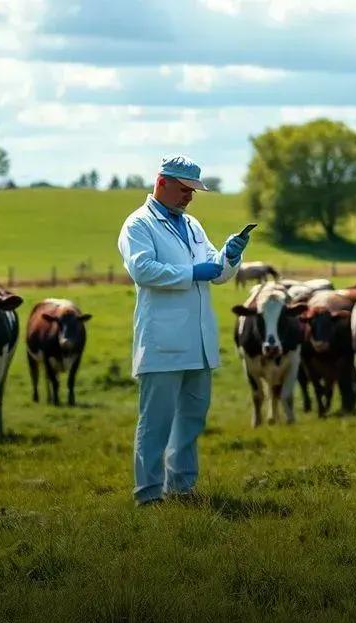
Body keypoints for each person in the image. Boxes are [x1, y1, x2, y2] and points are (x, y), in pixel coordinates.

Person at [116, 155, 248, 506]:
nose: (190, 196)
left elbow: (216, 273)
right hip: (162, 342)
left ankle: (182, 489)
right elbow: (143, 270)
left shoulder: (192, 225)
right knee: (155, 423)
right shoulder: (138, 224)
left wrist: (230, 256)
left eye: (193, 191)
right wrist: (192, 273)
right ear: (162, 183)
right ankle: (148, 495)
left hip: (199, 341)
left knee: (191, 420)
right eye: (185, 189)